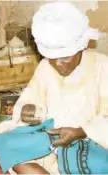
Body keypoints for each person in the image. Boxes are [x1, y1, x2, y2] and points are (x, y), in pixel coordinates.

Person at [7, 2, 108, 174]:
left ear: (80, 47)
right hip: (51, 140)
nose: (58, 64)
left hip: (91, 141)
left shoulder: (102, 66)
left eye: (65, 57)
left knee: (86, 162)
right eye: (52, 57)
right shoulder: (46, 67)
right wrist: (28, 109)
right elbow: (32, 99)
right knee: (7, 147)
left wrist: (80, 132)